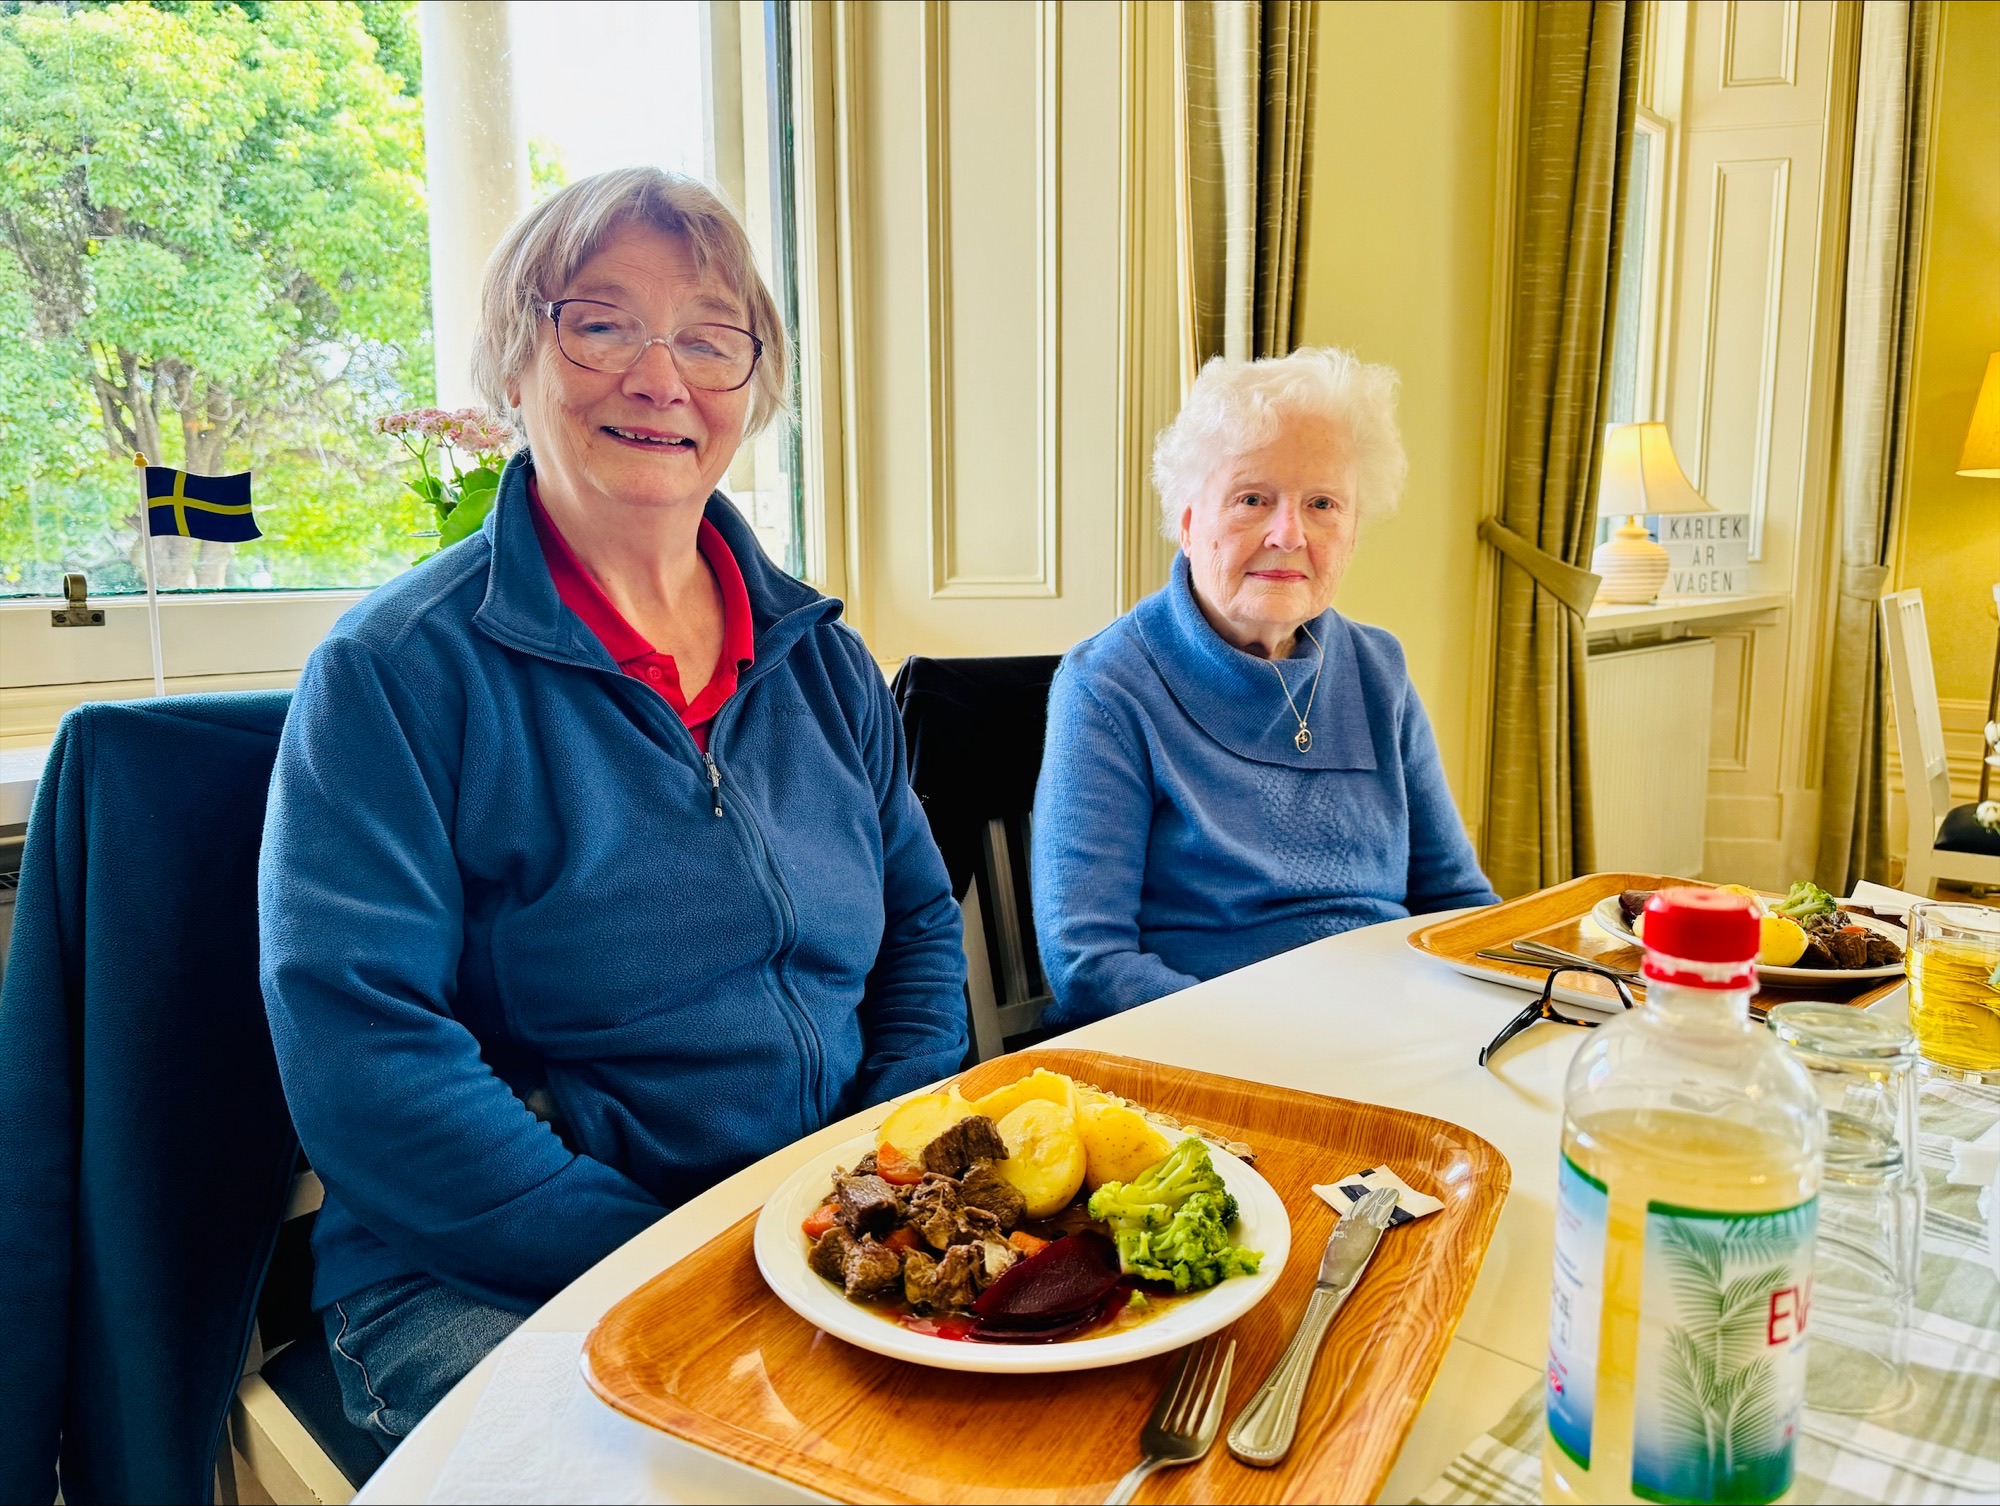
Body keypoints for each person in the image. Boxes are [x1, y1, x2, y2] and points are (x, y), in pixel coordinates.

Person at [259, 167, 967, 1444]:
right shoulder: (393, 675)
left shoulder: (819, 658)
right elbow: (365, 1057)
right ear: (513, 363)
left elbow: (918, 931)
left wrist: (883, 1172)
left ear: (752, 388)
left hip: (817, 1241)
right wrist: (683, 1260)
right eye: (599, 322)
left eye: (709, 336)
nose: (660, 377)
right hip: (488, 1278)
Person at [1031, 347, 1498, 1028]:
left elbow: (1456, 902)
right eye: (1253, 499)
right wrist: (1286, 1035)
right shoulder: (1108, 686)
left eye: (1323, 504)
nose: (1289, 534)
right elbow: (1089, 965)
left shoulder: (1378, 668)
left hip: (1396, 1033)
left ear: (1354, 530)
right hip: (1208, 1058)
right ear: (1189, 522)